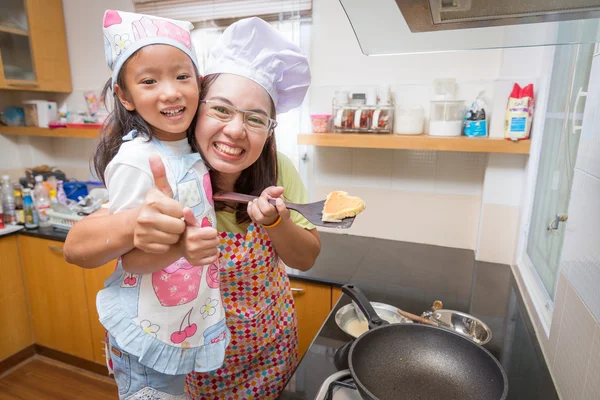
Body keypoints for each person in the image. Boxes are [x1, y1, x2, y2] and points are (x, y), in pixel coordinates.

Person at [64, 17, 321, 399]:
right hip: (186, 351)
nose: (235, 131)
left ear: (270, 129)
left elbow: (307, 257)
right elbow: (75, 248)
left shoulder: (278, 168)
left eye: (255, 119)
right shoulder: (168, 168)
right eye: (220, 109)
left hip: (267, 345)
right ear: (197, 108)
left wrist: (277, 222)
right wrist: (137, 223)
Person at [93, 10, 228, 399]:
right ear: (124, 96)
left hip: (176, 316)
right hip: (146, 325)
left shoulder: (189, 147)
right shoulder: (137, 161)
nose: (170, 92)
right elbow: (131, 260)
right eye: (149, 81)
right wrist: (181, 248)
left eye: (182, 76)